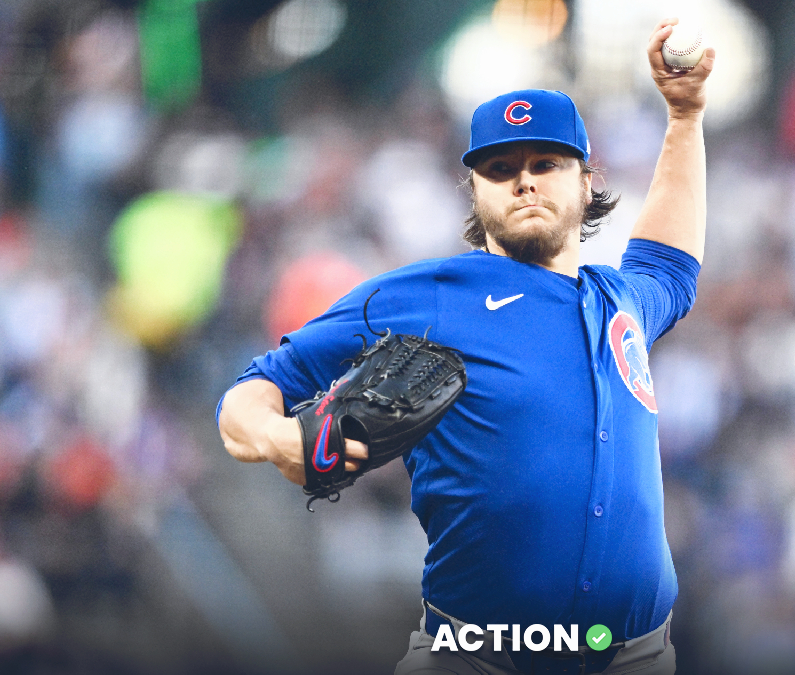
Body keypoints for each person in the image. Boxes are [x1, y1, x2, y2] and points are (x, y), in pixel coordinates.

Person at [218, 19, 713, 675]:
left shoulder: (619, 301)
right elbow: (254, 390)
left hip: (637, 655)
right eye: (501, 168)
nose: (525, 181)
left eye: (546, 163)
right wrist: (280, 439)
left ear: (585, 182)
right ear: (475, 192)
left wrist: (684, 115)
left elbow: (671, 266)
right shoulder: (427, 296)